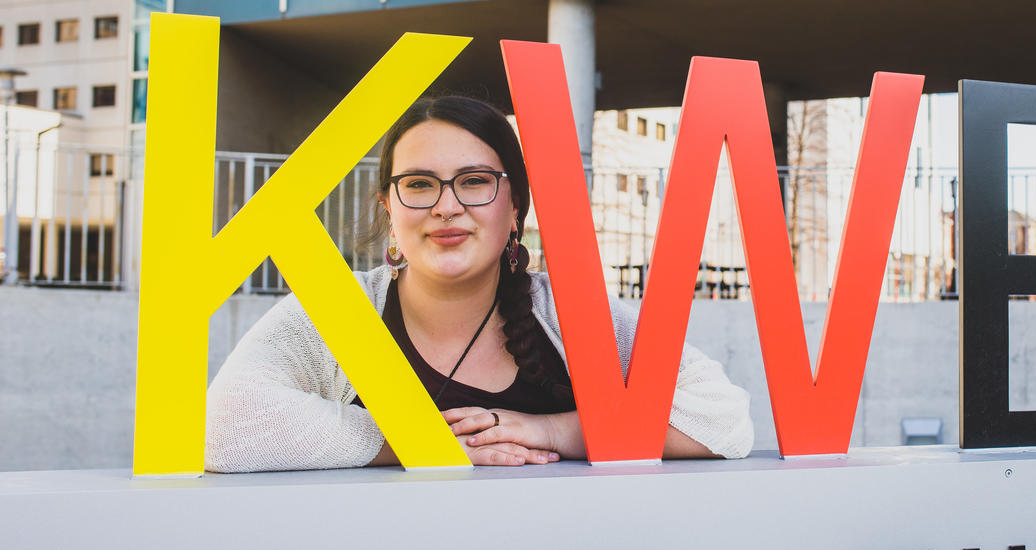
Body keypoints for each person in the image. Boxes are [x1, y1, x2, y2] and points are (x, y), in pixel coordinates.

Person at [205, 95, 755, 472]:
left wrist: (554, 431)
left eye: (473, 181)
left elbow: (724, 419)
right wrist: (416, 444)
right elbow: (223, 424)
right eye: (419, 184)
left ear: (515, 208)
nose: (446, 206)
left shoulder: (569, 314)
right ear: (389, 210)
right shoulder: (338, 308)